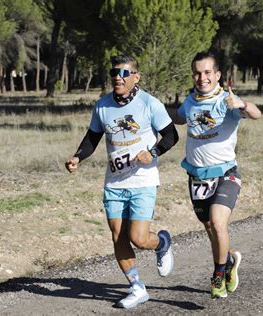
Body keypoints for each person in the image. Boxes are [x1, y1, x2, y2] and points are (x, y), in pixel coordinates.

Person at [65, 54, 179, 309]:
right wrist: (77, 157)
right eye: (114, 72)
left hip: (143, 179)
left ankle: (162, 242)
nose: (118, 77)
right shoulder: (103, 106)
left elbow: (171, 136)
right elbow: (92, 138)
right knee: (118, 235)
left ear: (135, 77)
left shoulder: (149, 103)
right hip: (115, 182)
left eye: (125, 73)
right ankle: (137, 288)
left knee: (138, 238)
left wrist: (153, 153)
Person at [174, 51, 261, 299]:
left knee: (218, 222)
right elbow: (179, 118)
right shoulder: (190, 102)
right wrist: (151, 112)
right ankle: (229, 262)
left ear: (217, 75)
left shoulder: (227, 101)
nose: (202, 78)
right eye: (198, 73)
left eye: (208, 72)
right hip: (197, 176)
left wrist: (242, 104)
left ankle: (217, 276)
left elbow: (256, 114)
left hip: (225, 172)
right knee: (211, 228)